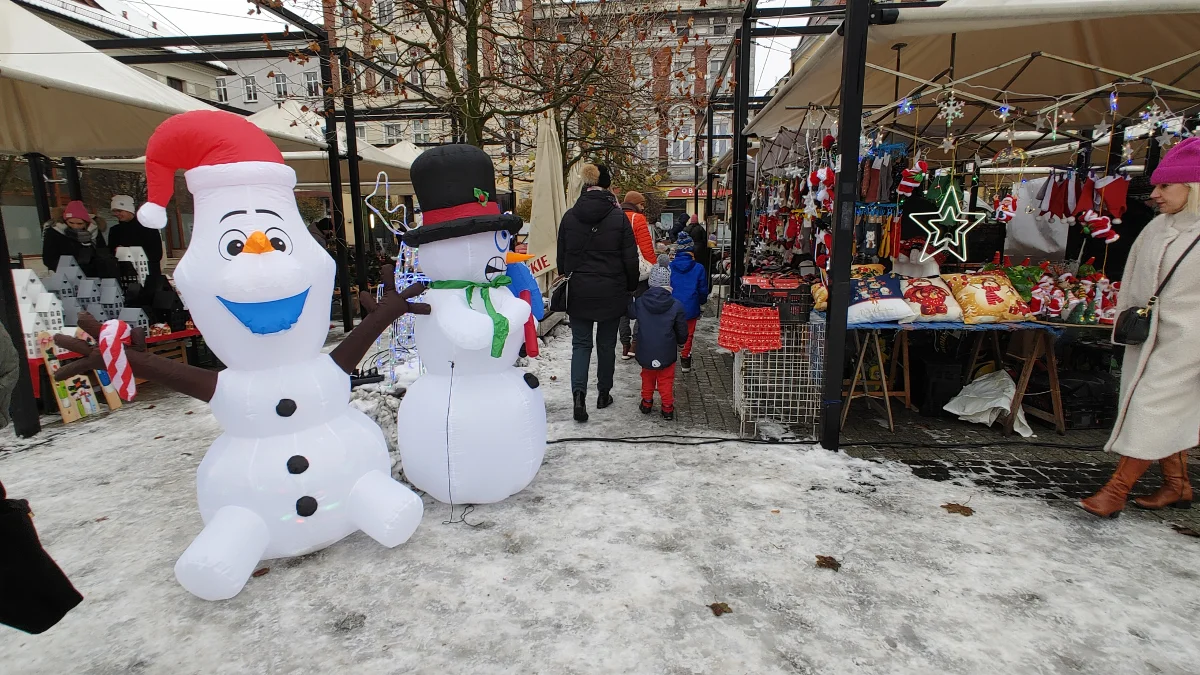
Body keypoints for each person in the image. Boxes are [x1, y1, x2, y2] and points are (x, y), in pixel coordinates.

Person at [1080, 137, 1200, 517]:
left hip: (1190, 340)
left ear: (1193, 186)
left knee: (1151, 406)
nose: (1156, 194)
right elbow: (1133, 279)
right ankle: (1177, 484)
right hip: (1149, 335)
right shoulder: (1157, 228)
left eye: (1166, 186)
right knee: (1165, 409)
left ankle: (1115, 491)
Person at [557, 163, 639, 423]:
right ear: (607, 185)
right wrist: (630, 285)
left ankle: (578, 396)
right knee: (606, 345)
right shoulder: (619, 218)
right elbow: (630, 259)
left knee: (581, 344)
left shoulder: (570, 216)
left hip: (580, 290)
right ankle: (604, 393)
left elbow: (562, 259)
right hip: (611, 290)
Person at [629, 264, 687, 420]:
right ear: (668, 283)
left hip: (645, 348)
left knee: (647, 376)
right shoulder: (676, 305)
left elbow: (631, 313)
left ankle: (647, 402)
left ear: (651, 283)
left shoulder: (641, 302)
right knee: (666, 379)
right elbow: (682, 329)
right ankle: (667, 407)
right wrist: (681, 343)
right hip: (667, 350)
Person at [618, 190, 657, 359]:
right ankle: (635, 343)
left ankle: (625, 345)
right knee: (642, 306)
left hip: (619, 271)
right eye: (641, 204)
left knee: (622, 310)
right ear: (635, 203)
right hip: (638, 271)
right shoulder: (637, 219)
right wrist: (654, 266)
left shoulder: (614, 217)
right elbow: (646, 247)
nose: (643, 207)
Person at [669, 230, 709, 373]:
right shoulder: (699, 268)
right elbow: (703, 289)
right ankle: (685, 360)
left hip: (672, 306)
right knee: (688, 334)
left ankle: (670, 360)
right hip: (691, 306)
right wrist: (701, 302)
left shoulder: (670, 266)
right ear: (692, 250)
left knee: (671, 332)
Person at [107, 195, 164, 278]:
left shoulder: (148, 227)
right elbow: (111, 253)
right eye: (114, 211)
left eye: (119, 211)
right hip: (126, 276)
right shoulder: (115, 230)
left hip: (149, 275)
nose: (116, 214)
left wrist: (129, 251)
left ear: (129, 210)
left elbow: (156, 254)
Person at [42, 200, 97, 273]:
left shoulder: (93, 231)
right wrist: (67, 270)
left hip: (93, 273)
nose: (75, 226)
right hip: (66, 273)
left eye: (80, 223)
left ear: (86, 223)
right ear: (65, 221)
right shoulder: (54, 232)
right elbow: (48, 258)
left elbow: (101, 253)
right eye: (71, 223)